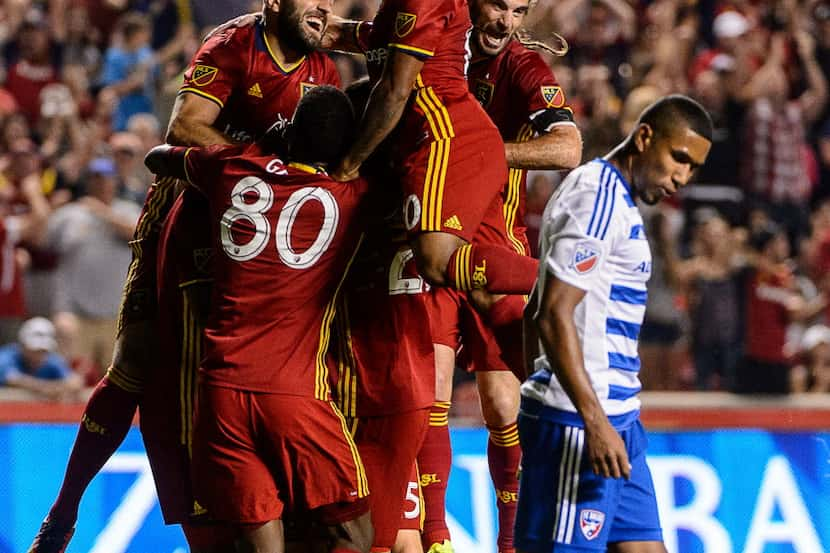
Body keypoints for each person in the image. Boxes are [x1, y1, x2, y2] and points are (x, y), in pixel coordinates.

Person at [29, 1, 341, 551]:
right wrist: (255, 172)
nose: (323, 6)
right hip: (191, 208)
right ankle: (64, 510)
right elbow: (185, 125)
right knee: (137, 360)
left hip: (268, 222)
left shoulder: (326, 67)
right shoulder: (232, 44)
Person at [144, 84, 373, 553]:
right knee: (354, 532)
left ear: (291, 131)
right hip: (295, 395)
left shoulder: (230, 170)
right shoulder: (353, 198)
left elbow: (157, 157)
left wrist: (251, 152)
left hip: (221, 396)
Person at [418, 0, 582, 551]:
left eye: (519, 11)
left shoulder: (521, 67)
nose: (506, 22)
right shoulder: (430, 45)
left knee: (505, 405)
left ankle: (510, 543)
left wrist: (481, 154)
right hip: (427, 233)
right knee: (431, 395)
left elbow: (568, 148)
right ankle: (435, 535)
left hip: (495, 247)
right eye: (497, 6)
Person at [519, 95, 712, 553]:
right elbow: (553, 312)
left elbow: (534, 306)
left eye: (693, 167)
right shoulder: (596, 198)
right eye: (677, 158)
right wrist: (579, 414)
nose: (682, 177)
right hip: (583, 425)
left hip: (618, 419)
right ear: (644, 137)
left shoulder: (617, 200)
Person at [0, 317, 82, 400]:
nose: (38, 355)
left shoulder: (51, 360)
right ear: (23, 345)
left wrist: (57, 389)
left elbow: (75, 382)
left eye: (43, 351)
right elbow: (12, 379)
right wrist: (45, 388)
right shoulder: (6, 356)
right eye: (34, 349)